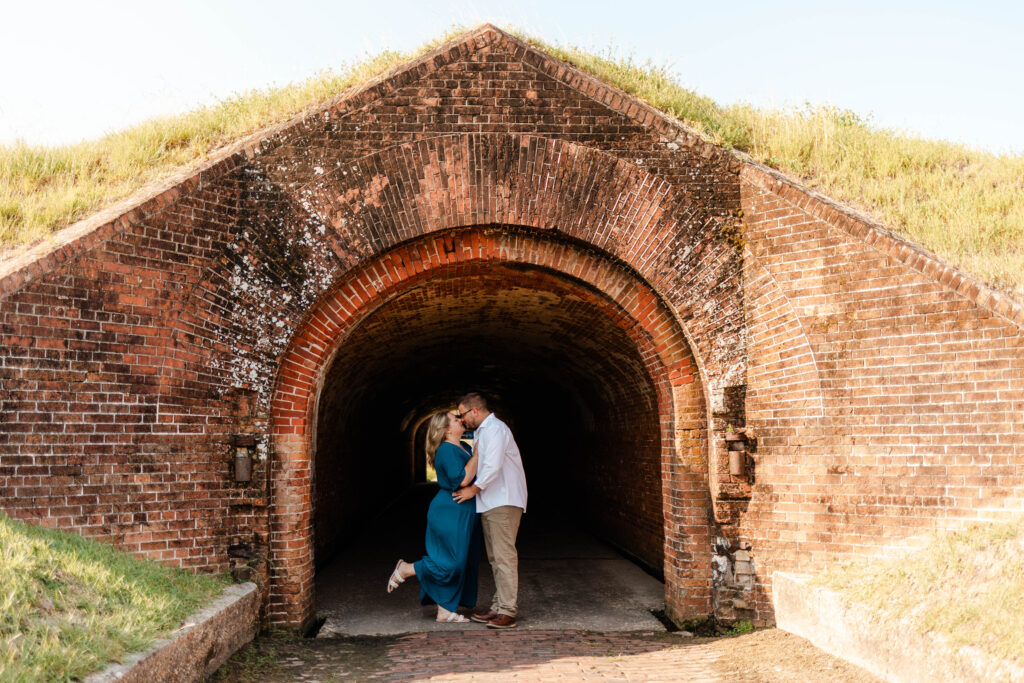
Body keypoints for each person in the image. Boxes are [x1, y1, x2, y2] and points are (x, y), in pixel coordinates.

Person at [387, 411, 481, 623]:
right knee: (451, 562)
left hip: (464, 510)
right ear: (447, 429)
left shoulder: (463, 447)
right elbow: (462, 479)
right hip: (449, 510)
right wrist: (478, 453)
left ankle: (445, 610)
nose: (461, 419)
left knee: (461, 561)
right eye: (456, 419)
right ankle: (408, 569)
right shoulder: (447, 450)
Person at [452, 392, 528, 629]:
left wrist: (472, 490)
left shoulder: (495, 429)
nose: (461, 420)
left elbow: (492, 466)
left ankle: (507, 611)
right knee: (496, 558)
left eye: (462, 414)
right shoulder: (482, 431)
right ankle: (498, 606)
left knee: (504, 556)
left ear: (474, 410)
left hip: (503, 500)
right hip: (492, 501)